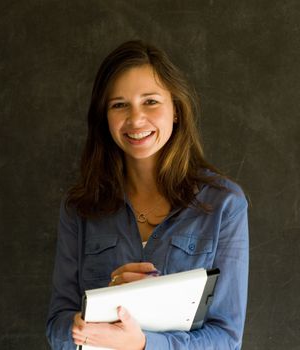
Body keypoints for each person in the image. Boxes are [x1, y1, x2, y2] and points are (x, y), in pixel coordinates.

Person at [46, 40, 249, 349]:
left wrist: (143, 344)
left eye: (151, 101)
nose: (136, 119)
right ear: (105, 117)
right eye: (119, 105)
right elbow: (58, 327)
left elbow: (226, 338)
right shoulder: (80, 208)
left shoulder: (224, 205)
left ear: (176, 110)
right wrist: (91, 319)